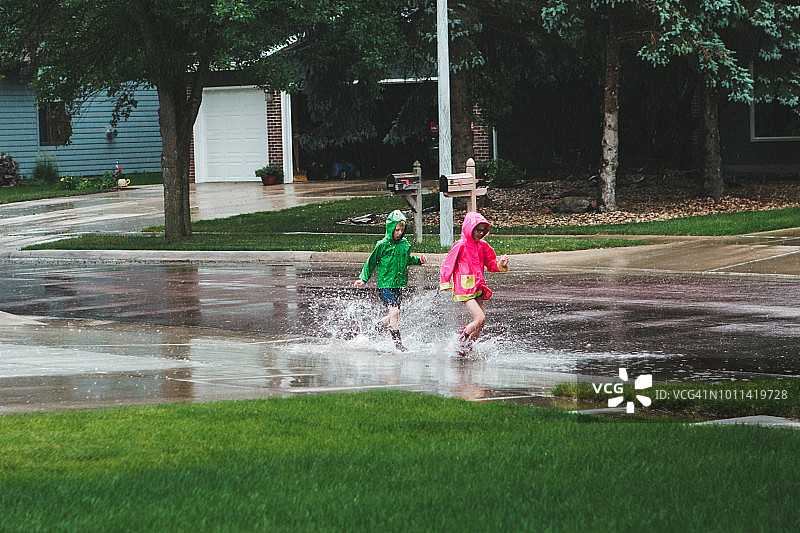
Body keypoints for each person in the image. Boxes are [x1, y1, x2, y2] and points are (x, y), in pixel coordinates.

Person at [353, 210, 426, 350]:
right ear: (390, 228)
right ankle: (398, 343)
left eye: (402, 229)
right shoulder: (382, 244)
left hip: (399, 284)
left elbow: (406, 259)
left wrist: (418, 260)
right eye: (396, 229)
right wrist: (363, 278)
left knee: (393, 315)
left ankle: (372, 330)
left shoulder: (405, 244)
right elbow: (371, 262)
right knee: (395, 312)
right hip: (385, 285)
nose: (399, 232)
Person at [439, 211, 509, 354]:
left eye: (483, 230)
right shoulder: (461, 245)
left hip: (478, 287)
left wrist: (500, 263)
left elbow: (491, 264)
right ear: (470, 228)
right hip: (464, 288)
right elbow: (448, 264)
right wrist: (445, 281)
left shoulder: (483, 246)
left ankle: (467, 347)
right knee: (480, 318)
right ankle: (460, 339)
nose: (481, 233)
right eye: (478, 230)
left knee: (481, 323)